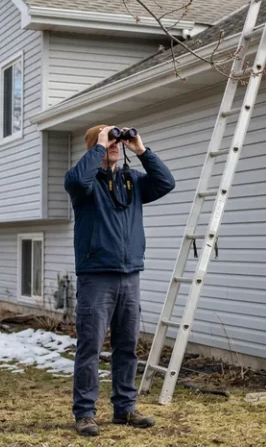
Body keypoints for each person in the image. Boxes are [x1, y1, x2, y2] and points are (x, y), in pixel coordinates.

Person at [64, 124, 176, 437]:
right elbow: (74, 179)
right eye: (109, 141)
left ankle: (125, 409)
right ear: (94, 148)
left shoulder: (133, 180)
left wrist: (140, 150)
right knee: (90, 347)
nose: (115, 145)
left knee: (127, 347)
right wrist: (100, 145)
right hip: (96, 276)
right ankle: (85, 413)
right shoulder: (85, 185)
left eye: (117, 141)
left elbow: (166, 182)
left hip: (130, 275)